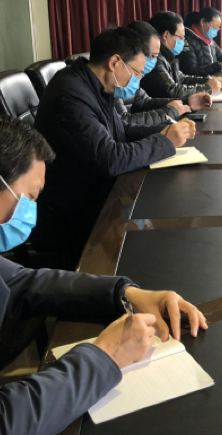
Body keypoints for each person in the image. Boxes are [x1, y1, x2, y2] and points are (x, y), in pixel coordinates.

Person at [0, 112, 207, 435]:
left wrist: (126, 293)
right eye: (29, 197)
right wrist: (107, 354)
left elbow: (20, 282)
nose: (31, 211)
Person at [32, 27, 197, 265]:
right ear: (115, 62)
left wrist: (166, 131)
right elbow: (110, 158)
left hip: (99, 190)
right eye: (136, 73)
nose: (137, 81)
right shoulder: (71, 96)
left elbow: (122, 130)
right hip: (77, 207)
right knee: (160, 236)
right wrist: (164, 142)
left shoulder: (95, 83)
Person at [115, 21, 212, 125]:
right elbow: (122, 123)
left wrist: (186, 102)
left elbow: (143, 102)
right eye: (151, 56)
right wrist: (171, 112)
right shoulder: (113, 77)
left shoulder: (135, 73)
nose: (153, 61)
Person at [142, 11, 222, 100]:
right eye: (180, 38)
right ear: (166, 36)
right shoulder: (153, 59)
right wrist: (207, 88)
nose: (183, 42)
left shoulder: (168, 55)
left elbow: (181, 79)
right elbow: (171, 91)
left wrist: (209, 81)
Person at [180, 8, 222, 77]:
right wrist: (219, 66)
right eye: (215, 27)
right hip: (200, 83)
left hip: (214, 80)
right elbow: (191, 71)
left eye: (218, 28)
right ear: (202, 22)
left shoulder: (210, 41)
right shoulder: (186, 40)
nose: (216, 30)